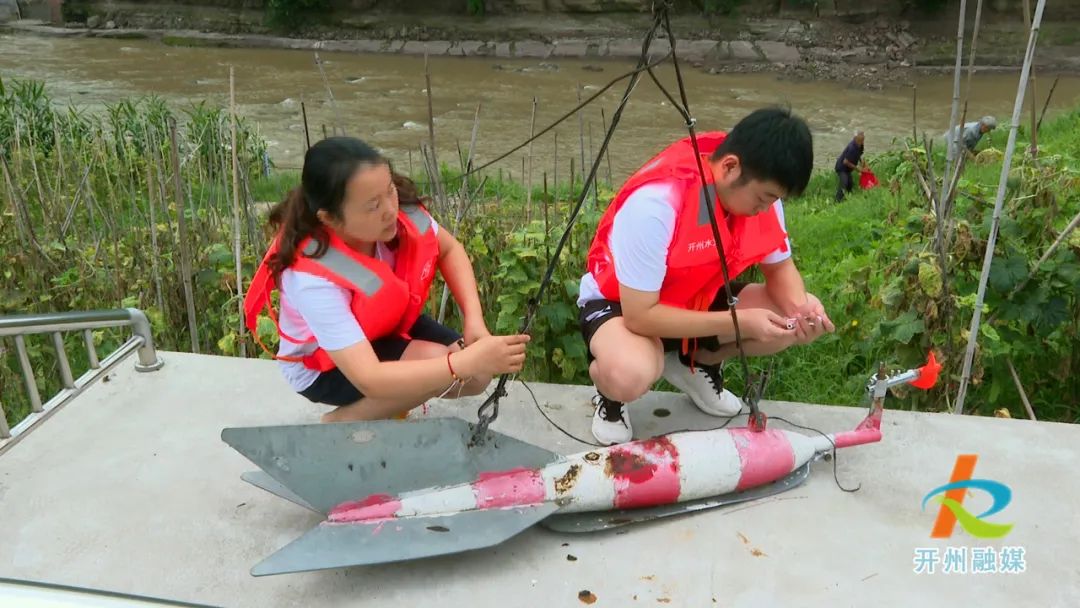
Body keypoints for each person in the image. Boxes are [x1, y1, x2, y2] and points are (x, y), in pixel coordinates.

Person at [577, 107, 836, 446]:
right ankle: (610, 396)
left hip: (697, 298)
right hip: (624, 308)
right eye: (764, 197)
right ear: (730, 167)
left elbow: (780, 268)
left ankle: (693, 365)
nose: (766, 207)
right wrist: (738, 322)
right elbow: (641, 316)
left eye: (775, 199)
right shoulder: (657, 203)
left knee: (793, 313)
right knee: (631, 372)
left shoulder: (761, 196)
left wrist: (803, 313)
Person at [244, 137, 529, 422]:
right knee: (445, 365)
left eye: (390, 190)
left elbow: (449, 248)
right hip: (323, 367)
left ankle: (396, 398)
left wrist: (474, 321)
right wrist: (462, 362)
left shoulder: (400, 215)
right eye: (372, 206)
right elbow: (371, 378)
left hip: (383, 324)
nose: (390, 210)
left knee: (477, 377)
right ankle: (344, 421)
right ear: (329, 218)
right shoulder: (311, 279)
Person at [834, 130, 868, 202]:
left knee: (850, 184)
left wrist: (862, 162)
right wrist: (859, 170)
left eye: (863, 140)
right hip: (842, 168)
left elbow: (859, 154)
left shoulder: (860, 145)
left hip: (848, 169)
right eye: (860, 140)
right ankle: (837, 201)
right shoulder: (852, 147)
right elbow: (845, 162)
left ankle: (849, 197)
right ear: (855, 139)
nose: (862, 142)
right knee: (844, 182)